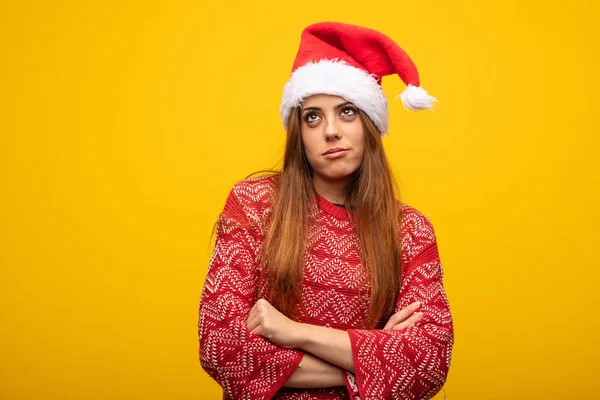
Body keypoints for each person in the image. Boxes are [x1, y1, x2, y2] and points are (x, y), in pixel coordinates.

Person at [198, 21, 454, 400]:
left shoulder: (410, 230)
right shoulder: (255, 205)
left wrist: (295, 332)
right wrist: (372, 358)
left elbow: (428, 363)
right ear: (298, 134)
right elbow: (221, 347)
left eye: (347, 111)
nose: (330, 131)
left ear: (370, 124)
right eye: (312, 116)